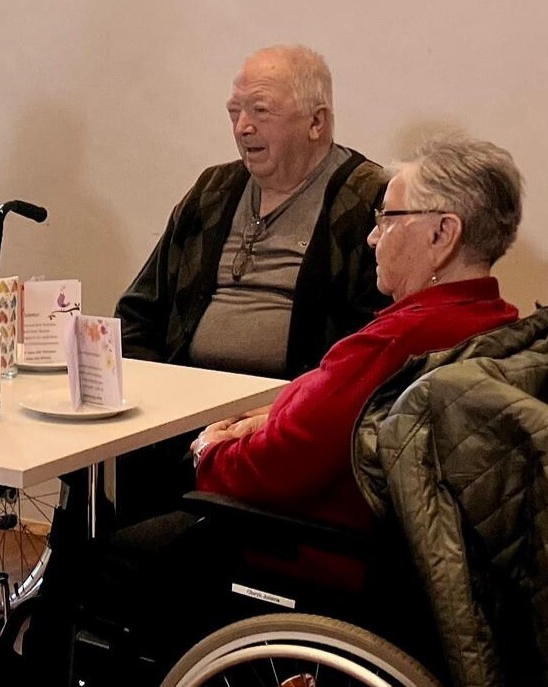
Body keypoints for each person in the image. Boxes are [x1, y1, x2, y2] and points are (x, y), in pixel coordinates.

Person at [19, 136, 525, 687]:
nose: (373, 237)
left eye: (388, 218)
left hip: (318, 550)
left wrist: (210, 449)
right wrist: (271, 415)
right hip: (396, 550)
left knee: (105, 547)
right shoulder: (495, 324)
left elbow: (272, 467)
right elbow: (327, 411)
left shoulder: (397, 341)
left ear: (442, 234)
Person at [107, 45, 389, 525]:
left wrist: (285, 407)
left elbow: (368, 345)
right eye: (234, 112)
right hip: (183, 408)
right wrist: (152, 397)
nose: (243, 127)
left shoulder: (366, 199)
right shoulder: (213, 190)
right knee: (87, 461)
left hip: (281, 420)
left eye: (260, 111)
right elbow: (138, 309)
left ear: (316, 122)